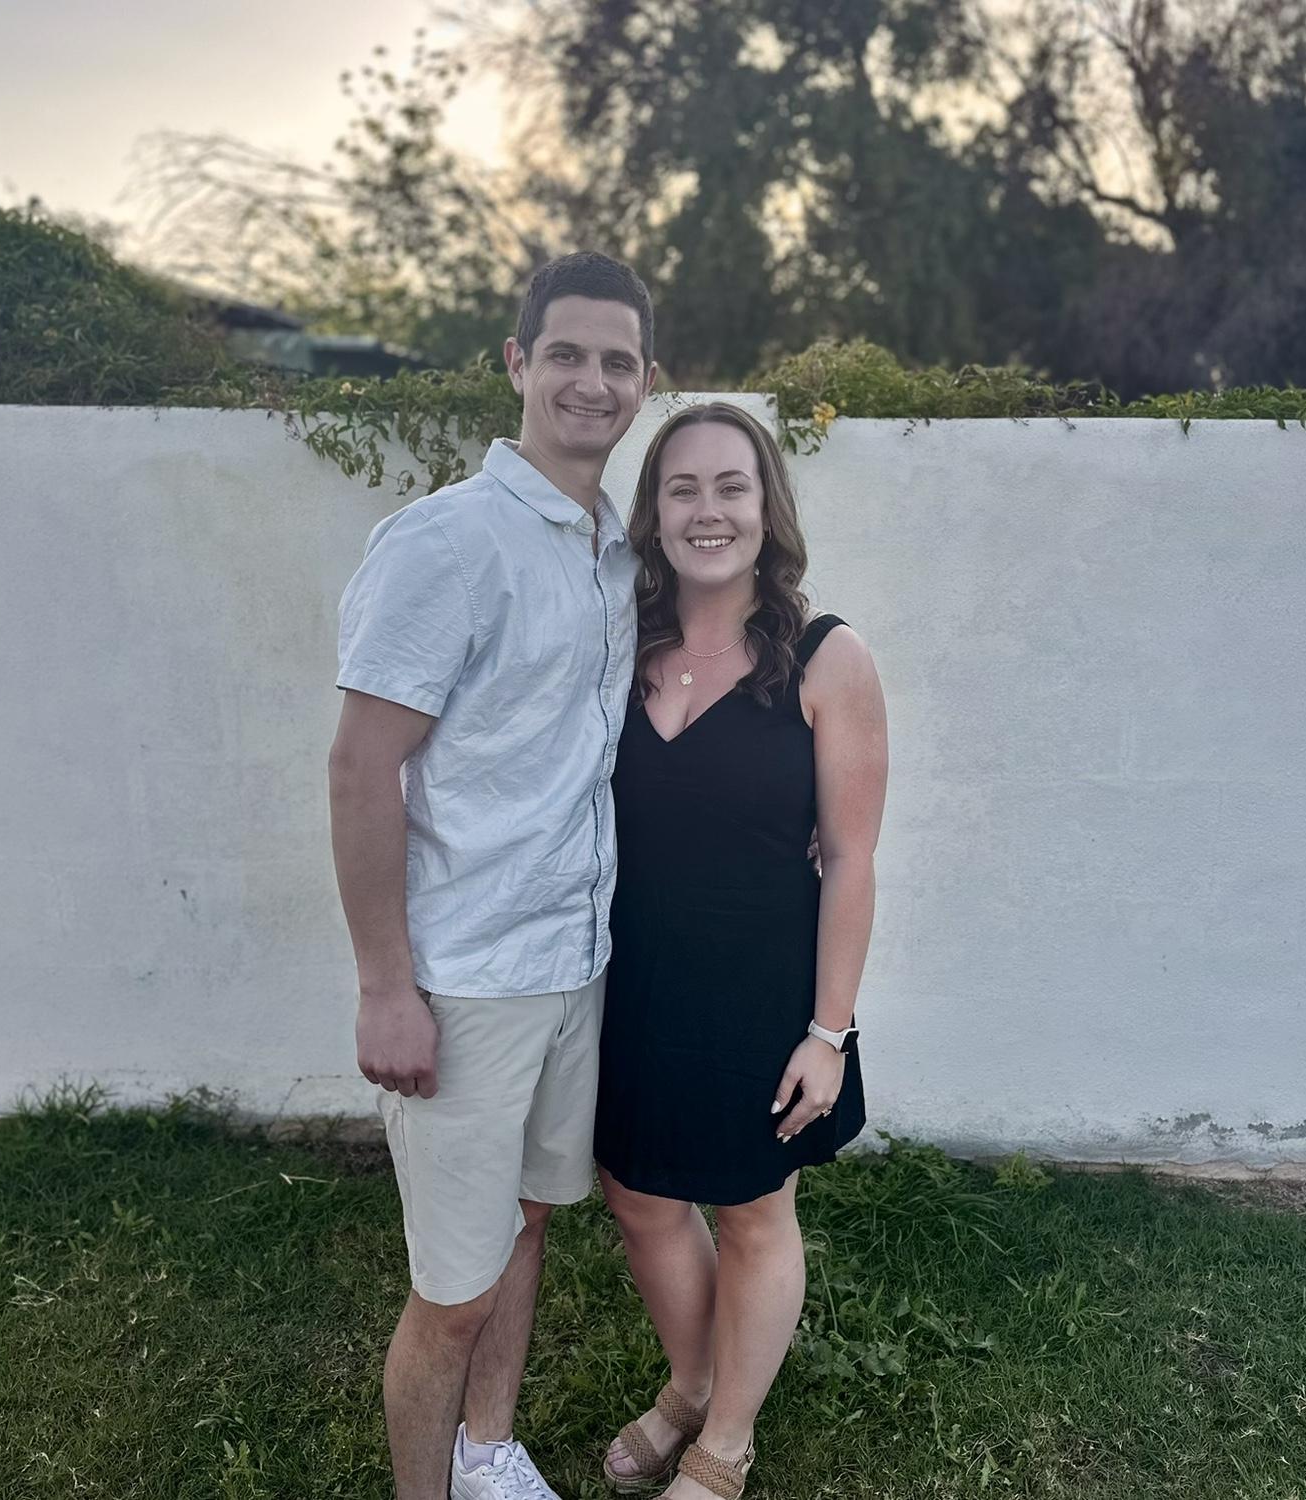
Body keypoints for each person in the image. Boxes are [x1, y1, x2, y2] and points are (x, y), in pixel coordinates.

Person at [329, 251, 657, 1500]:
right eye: (565, 353)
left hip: (574, 961)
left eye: (617, 361)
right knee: (452, 1291)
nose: (591, 382)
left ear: (645, 382)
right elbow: (361, 767)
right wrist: (385, 988)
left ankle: (487, 1452)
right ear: (518, 363)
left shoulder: (615, 552)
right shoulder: (449, 542)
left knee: (528, 1221)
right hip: (466, 979)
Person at [592, 402, 889, 1499]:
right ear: (653, 513)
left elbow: (850, 858)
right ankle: (690, 1382)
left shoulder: (827, 658)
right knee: (638, 1198)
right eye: (683, 488)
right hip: (632, 982)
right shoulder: (617, 644)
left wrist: (829, 1033)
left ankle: (726, 1440)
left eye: (731, 486)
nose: (707, 510)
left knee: (755, 1211)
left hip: (764, 991)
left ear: (768, 509)